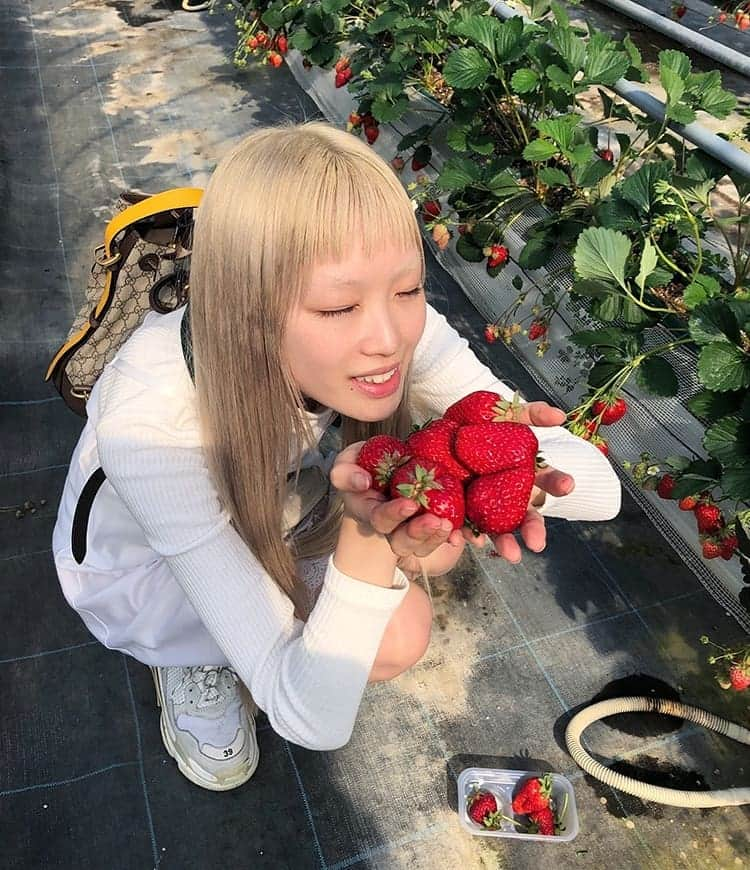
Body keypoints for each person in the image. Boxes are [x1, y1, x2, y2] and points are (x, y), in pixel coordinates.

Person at [52, 122, 621, 792]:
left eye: (409, 289)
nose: (388, 337)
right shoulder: (148, 422)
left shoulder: (391, 325)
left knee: (423, 577)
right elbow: (310, 719)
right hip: (148, 562)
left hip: (272, 492)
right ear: (246, 312)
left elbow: (601, 488)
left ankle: (245, 613)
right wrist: (368, 536)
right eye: (336, 306)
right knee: (339, 613)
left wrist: (514, 465)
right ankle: (191, 650)